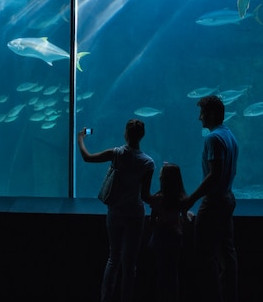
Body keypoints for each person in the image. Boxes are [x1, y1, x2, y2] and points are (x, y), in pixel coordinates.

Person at [78, 119, 155, 302]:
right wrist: (163, 201)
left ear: (125, 134)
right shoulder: (148, 163)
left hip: (115, 213)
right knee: (130, 265)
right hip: (135, 215)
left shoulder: (117, 153)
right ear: (142, 135)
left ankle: (106, 298)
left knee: (113, 259)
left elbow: (87, 157)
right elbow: (145, 195)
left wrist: (80, 138)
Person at [182, 95, 239, 302]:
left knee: (204, 255)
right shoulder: (230, 135)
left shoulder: (213, 139)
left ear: (212, 114)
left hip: (214, 202)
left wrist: (192, 199)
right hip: (228, 197)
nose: (199, 118)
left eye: (202, 113)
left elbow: (214, 175)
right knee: (227, 254)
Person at [149, 163, 189, 302]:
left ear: (163, 179)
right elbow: (185, 218)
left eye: (160, 174)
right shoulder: (182, 198)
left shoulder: (158, 198)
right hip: (175, 237)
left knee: (161, 272)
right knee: (173, 273)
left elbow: (153, 219)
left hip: (160, 237)